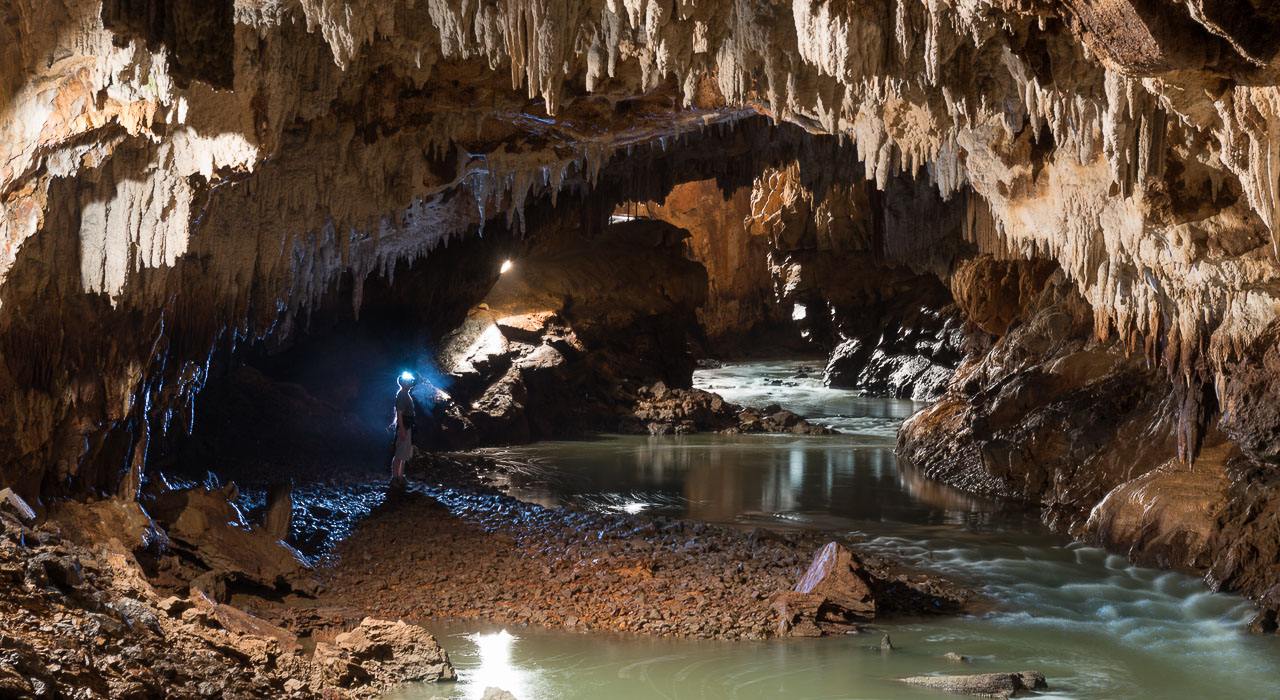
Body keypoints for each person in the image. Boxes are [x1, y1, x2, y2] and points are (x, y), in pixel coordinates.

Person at [389, 372, 417, 486]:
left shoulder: (406, 394)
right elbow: (399, 414)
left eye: (411, 380)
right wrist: (402, 429)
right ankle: (395, 478)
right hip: (404, 426)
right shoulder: (402, 395)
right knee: (400, 454)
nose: (410, 382)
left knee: (404, 453)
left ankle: (400, 477)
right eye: (408, 381)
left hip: (407, 426)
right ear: (403, 382)